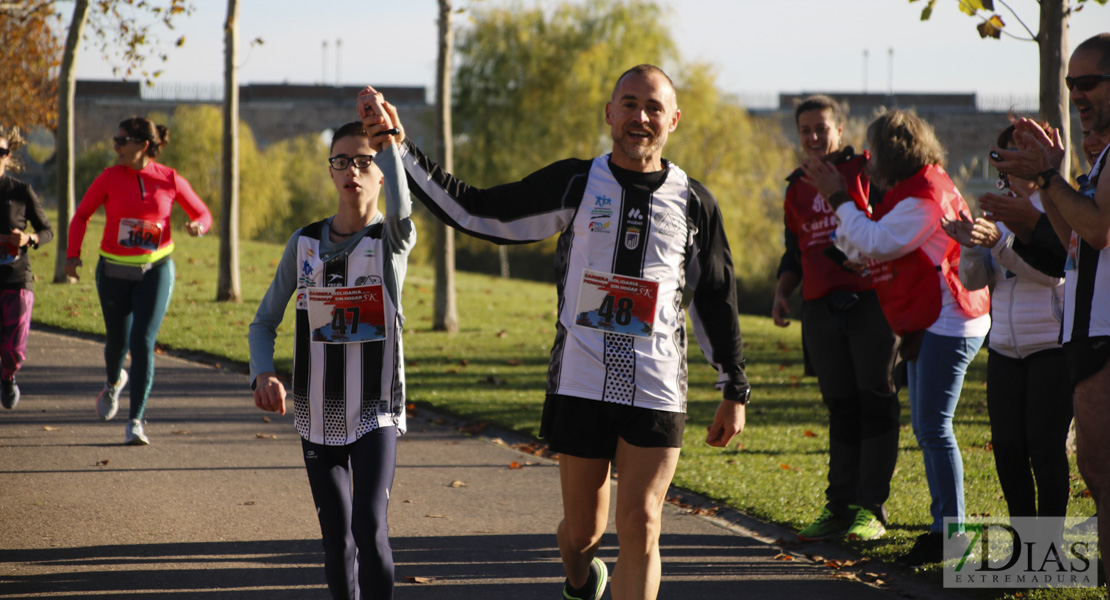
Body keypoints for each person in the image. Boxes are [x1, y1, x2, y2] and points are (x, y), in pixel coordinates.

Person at [367, 65, 749, 600]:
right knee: (582, 534)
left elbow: (716, 297)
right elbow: (479, 212)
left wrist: (735, 388)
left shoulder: (694, 202)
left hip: (658, 384)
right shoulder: (575, 183)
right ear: (610, 113)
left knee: (641, 523)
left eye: (654, 107)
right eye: (630, 103)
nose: (641, 117)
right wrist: (400, 150)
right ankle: (580, 578)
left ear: (674, 120)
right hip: (580, 380)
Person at [802, 109, 991, 567]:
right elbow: (869, 239)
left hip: (950, 317)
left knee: (932, 428)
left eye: (875, 151)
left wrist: (837, 197)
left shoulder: (924, 196)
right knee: (931, 428)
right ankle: (946, 528)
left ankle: (951, 532)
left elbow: (877, 242)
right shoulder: (917, 187)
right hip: (935, 316)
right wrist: (854, 231)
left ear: (891, 153)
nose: (869, 164)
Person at [248, 108, 414, 600]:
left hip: (375, 412)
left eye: (364, 161)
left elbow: (404, 208)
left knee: (368, 527)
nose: (352, 172)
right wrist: (263, 375)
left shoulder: (391, 240)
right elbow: (263, 322)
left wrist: (388, 137)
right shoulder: (303, 244)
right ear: (330, 170)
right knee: (336, 539)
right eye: (341, 161)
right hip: (317, 413)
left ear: (381, 174)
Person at [988, 32, 1110, 578]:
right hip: (1080, 339)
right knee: (1096, 471)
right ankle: (1037, 560)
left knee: (1086, 465)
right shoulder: (1098, 162)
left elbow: (1099, 229)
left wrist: (1045, 181)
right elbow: (1074, 246)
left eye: (1088, 83)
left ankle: (1062, 561)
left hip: (1091, 338)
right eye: (1070, 85)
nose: (1077, 95)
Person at [772, 96, 900, 543]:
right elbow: (794, 250)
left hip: (869, 305)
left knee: (876, 402)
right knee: (841, 407)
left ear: (840, 131)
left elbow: (893, 226)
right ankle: (839, 508)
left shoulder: (866, 171)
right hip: (820, 311)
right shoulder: (795, 187)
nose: (812, 138)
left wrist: (869, 257)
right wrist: (783, 292)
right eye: (805, 130)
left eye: (821, 129)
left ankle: (872, 511)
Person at [944, 123, 1071, 524]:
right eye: (1005, 156)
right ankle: (1024, 543)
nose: (1013, 163)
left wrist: (1000, 243)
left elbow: (1054, 274)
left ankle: (1047, 549)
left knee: (1045, 447)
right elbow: (975, 281)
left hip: (1050, 345)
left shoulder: (1057, 208)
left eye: (1022, 152)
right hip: (1002, 347)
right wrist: (970, 246)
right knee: (1008, 449)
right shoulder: (997, 208)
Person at [65, 117, 211, 445]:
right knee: (117, 342)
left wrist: (197, 227)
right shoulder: (108, 178)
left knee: (142, 342)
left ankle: (136, 421)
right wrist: (72, 255)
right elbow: (82, 215)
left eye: (122, 140)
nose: (115, 146)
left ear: (143, 145)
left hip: (155, 269)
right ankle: (114, 381)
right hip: (113, 270)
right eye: (115, 140)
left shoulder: (169, 179)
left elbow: (202, 213)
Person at [0, 128, 53, 410]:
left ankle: (7, 377)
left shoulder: (20, 191)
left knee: (14, 352)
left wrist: (28, 238)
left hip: (16, 278)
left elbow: (46, 231)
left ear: (8, 156)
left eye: (1, 152)